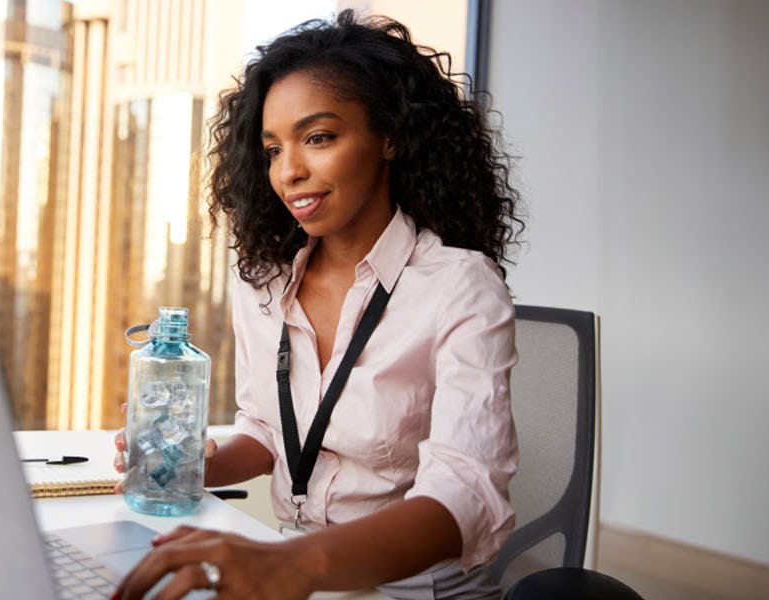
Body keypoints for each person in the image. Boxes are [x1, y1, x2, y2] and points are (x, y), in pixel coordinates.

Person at [110, 10, 524, 600]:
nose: (290, 172)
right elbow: (267, 431)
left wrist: (295, 566)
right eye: (273, 149)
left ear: (389, 137)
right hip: (291, 570)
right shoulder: (264, 282)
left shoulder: (460, 287)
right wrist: (184, 464)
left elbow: (463, 496)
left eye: (319, 137)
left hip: (409, 589)